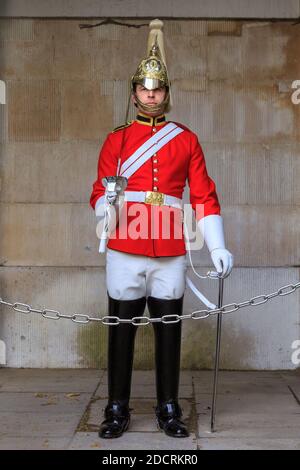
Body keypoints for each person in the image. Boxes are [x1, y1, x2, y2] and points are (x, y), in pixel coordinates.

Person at [90, 19, 234, 439]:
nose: (151, 94)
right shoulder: (115, 140)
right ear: (134, 93)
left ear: (167, 94)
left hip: (170, 245)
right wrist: (107, 202)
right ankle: (116, 406)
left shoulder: (186, 140)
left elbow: (204, 195)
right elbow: (97, 192)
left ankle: (168, 405)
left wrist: (218, 246)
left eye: (158, 88)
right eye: (144, 88)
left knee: (169, 328)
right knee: (121, 328)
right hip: (124, 243)